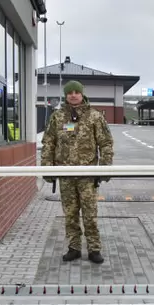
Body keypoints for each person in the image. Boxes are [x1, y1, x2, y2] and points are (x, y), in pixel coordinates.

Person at [41, 80, 114, 264]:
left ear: (82, 94)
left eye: (77, 92)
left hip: (87, 175)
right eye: (70, 92)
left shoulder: (94, 116)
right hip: (66, 175)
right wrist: (47, 169)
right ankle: (73, 248)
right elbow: (49, 143)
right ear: (66, 95)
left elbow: (105, 143)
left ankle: (94, 248)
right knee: (70, 214)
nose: (73, 95)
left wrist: (105, 168)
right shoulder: (57, 117)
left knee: (90, 214)